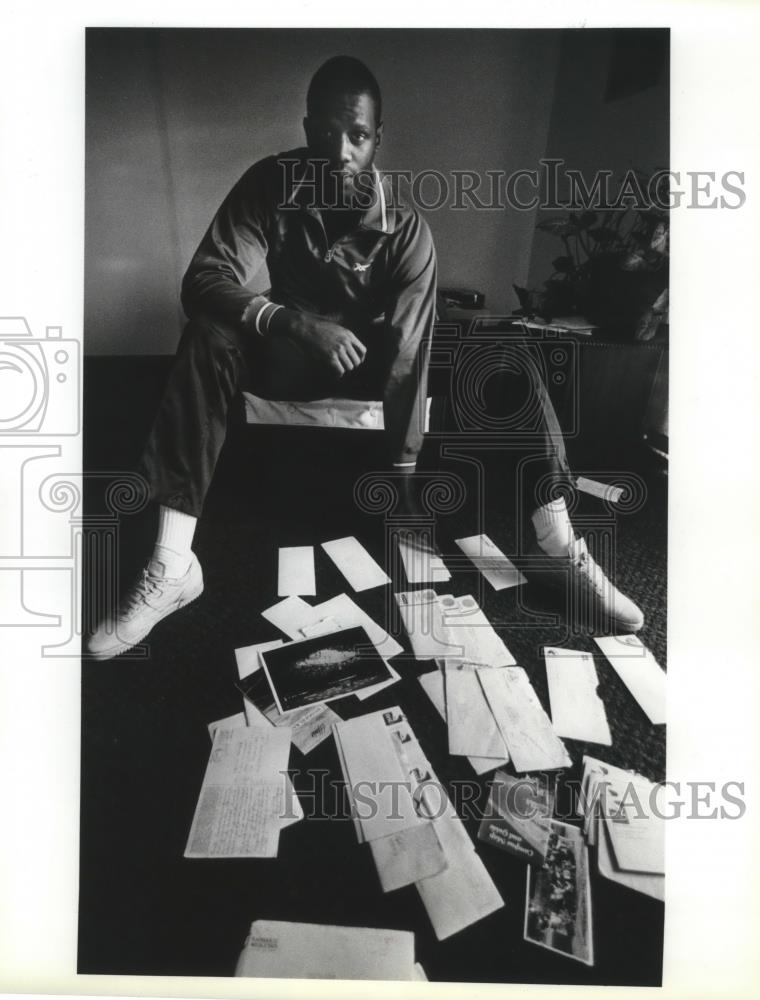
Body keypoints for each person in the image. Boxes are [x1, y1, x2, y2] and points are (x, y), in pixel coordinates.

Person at [86, 55, 643, 661]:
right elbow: (204, 280)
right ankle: (173, 564)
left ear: (378, 139)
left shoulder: (407, 229)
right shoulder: (269, 183)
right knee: (207, 334)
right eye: (325, 132)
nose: (340, 150)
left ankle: (555, 547)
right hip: (289, 350)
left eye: (356, 135)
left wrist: (402, 474)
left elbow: (407, 351)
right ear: (306, 130)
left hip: (373, 360)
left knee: (505, 351)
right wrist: (292, 321)